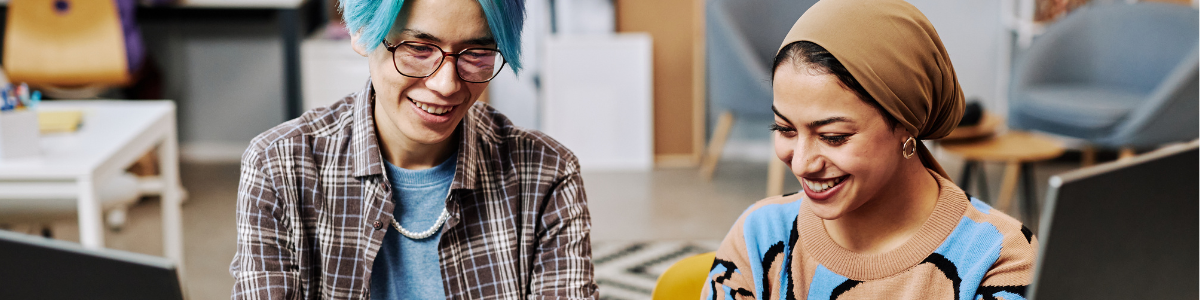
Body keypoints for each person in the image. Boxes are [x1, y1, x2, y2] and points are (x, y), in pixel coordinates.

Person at [229, 0, 598, 298]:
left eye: (475, 54)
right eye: (419, 49)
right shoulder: (280, 166)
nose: (446, 85)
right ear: (361, 31)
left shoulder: (547, 174)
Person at [701, 0, 1037, 299]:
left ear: (906, 125)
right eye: (785, 129)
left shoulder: (1001, 260)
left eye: (833, 136)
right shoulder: (759, 237)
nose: (802, 164)